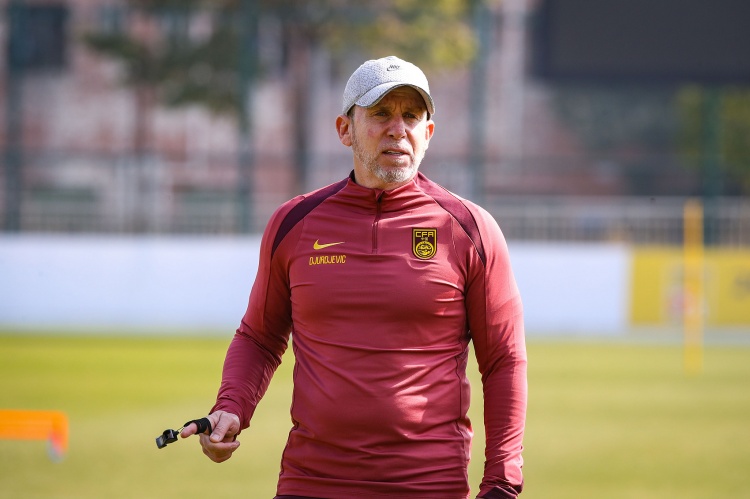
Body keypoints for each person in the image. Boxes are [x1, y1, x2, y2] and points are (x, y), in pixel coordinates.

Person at [181, 55, 527, 499]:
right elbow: (259, 337)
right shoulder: (294, 223)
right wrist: (231, 406)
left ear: (428, 134)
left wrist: (502, 481)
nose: (397, 129)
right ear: (345, 129)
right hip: (311, 483)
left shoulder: (471, 230)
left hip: (428, 486)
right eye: (381, 113)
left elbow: (503, 360)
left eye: (411, 116)